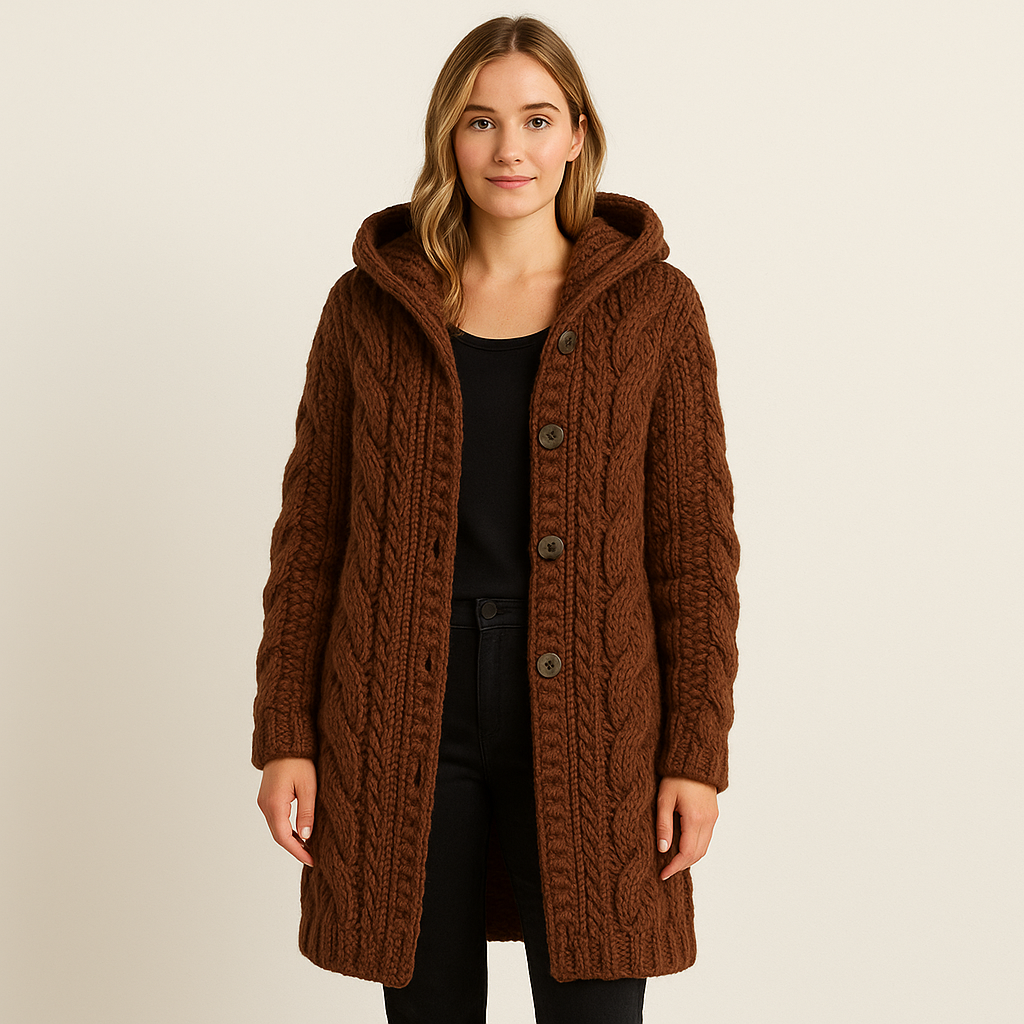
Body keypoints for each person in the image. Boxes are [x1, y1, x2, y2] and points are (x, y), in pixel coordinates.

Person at [253, 14, 740, 1024]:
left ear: (576, 135)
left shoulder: (655, 309)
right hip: (400, 701)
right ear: (448, 136)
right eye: (480, 121)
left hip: (595, 705)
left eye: (536, 119)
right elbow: (311, 540)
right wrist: (285, 733)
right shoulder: (369, 308)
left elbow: (694, 555)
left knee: (595, 999)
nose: (509, 148)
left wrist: (695, 752)